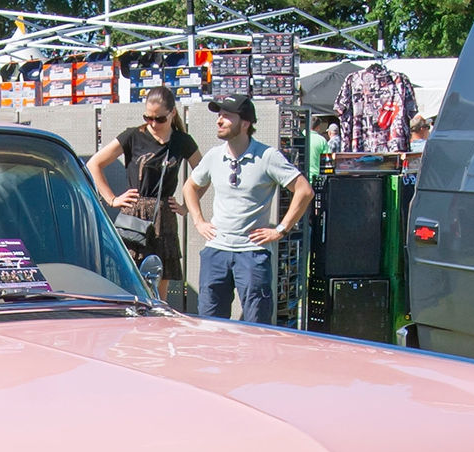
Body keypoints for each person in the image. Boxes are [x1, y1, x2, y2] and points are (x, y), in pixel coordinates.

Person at [183, 94, 314, 326]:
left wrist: (281, 230)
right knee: (210, 326)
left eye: (226, 116)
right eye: (219, 115)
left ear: (245, 123)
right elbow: (190, 187)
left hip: (252, 254)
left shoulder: (268, 156)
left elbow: (304, 191)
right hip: (216, 252)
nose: (219, 120)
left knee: (257, 327)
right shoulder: (214, 156)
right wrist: (198, 221)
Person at [87, 84, 201, 300]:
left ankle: (157, 329)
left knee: (159, 288)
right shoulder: (133, 136)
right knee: (130, 280)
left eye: (159, 119)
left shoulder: (181, 141)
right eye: (148, 118)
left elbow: (204, 174)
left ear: (172, 113)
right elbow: (95, 164)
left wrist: (188, 206)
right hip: (134, 215)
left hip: (164, 218)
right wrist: (112, 199)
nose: (153, 124)